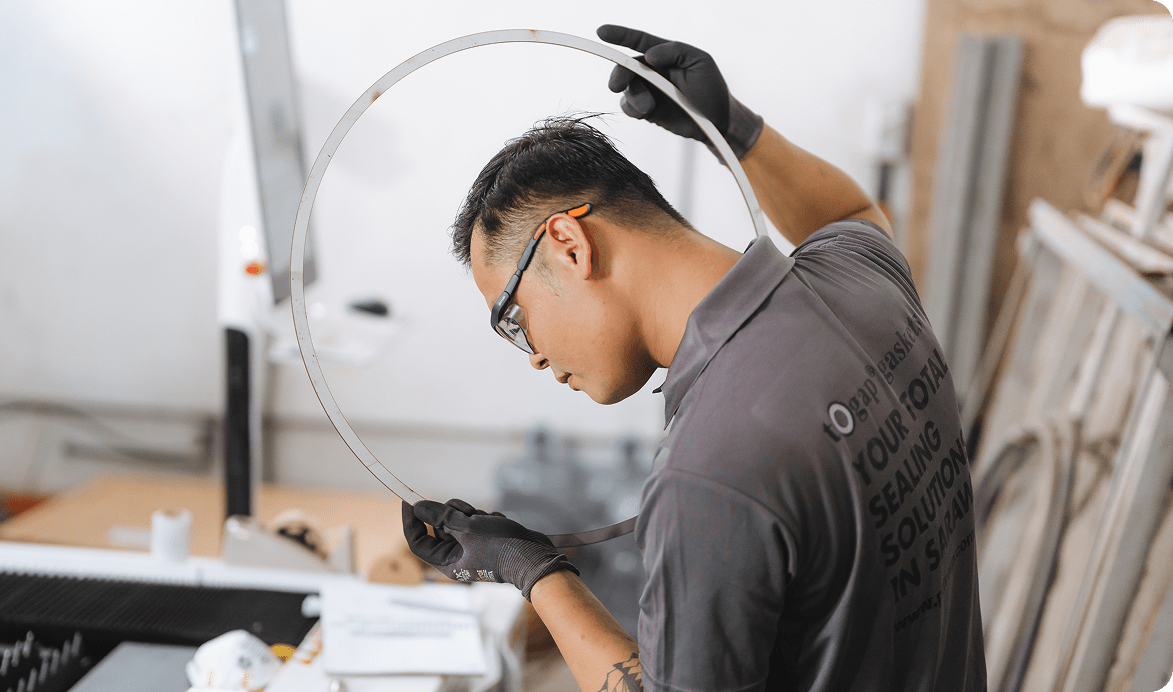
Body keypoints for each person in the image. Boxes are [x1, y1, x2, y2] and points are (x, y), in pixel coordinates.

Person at [402, 24, 986, 692]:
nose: (534, 357)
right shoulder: (866, 281)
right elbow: (853, 210)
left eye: (514, 318)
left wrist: (533, 572)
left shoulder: (711, 471)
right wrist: (733, 128)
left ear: (569, 244)